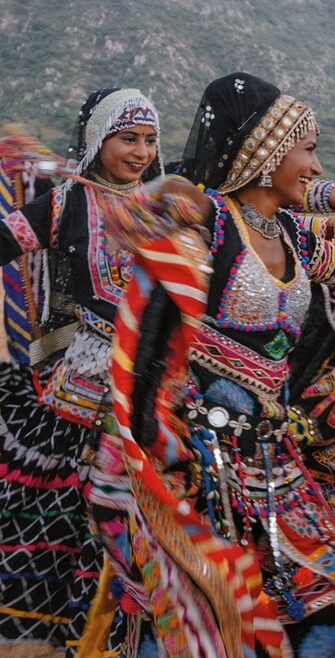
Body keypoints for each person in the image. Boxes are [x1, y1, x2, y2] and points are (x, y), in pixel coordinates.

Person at [90, 72, 335, 655]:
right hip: (205, 466)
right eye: (308, 150)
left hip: (273, 458)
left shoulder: (289, 233)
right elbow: (147, 342)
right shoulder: (208, 225)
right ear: (267, 153)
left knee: (328, 612)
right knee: (212, 619)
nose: (316, 169)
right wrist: (156, 454)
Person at [0, 88, 164, 652]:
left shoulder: (165, 204)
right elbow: (4, 238)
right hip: (83, 376)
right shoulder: (68, 204)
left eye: (149, 141)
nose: (140, 152)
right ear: (98, 140)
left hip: (154, 369)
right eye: (127, 139)